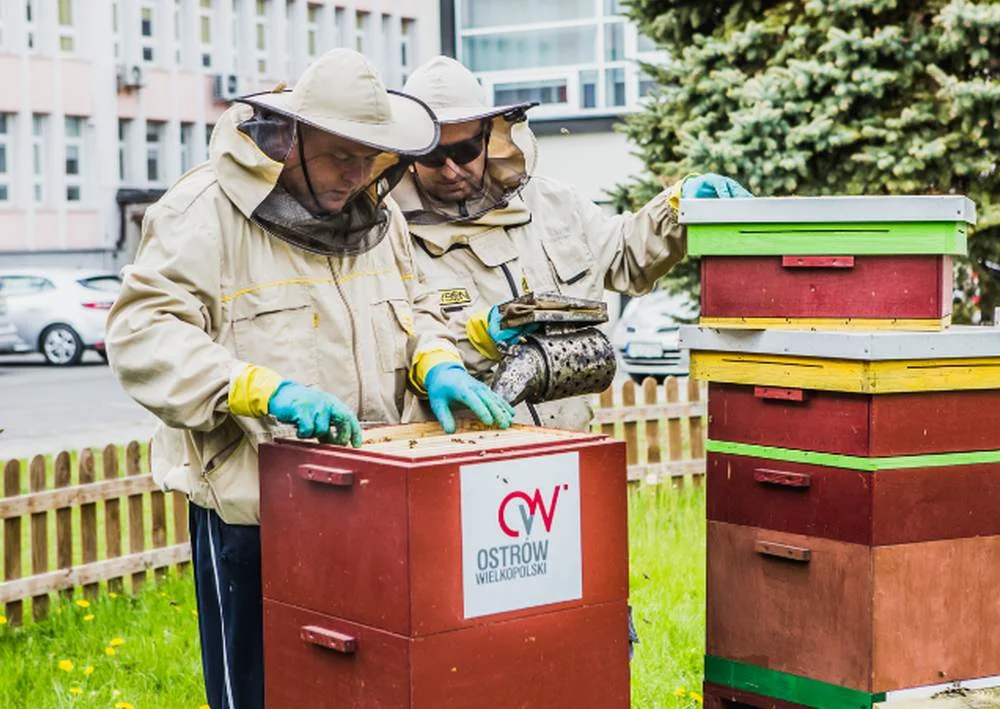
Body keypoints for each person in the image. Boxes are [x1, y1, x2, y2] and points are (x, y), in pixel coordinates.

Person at [105, 49, 513, 709]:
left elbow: (413, 313)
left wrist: (435, 359)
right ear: (290, 140)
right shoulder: (202, 211)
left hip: (372, 506)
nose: (355, 175)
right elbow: (142, 336)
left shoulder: (381, 220)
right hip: (255, 513)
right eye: (340, 156)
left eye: (368, 159)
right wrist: (259, 390)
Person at [392, 56, 752, 431]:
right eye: (434, 155)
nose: (452, 169)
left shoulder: (554, 203)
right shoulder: (389, 237)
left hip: (567, 445)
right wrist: (478, 340)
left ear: (489, 136)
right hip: (468, 457)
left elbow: (626, 256)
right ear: (410, 154)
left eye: (465, 150)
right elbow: (401, 351)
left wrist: (676, 206)